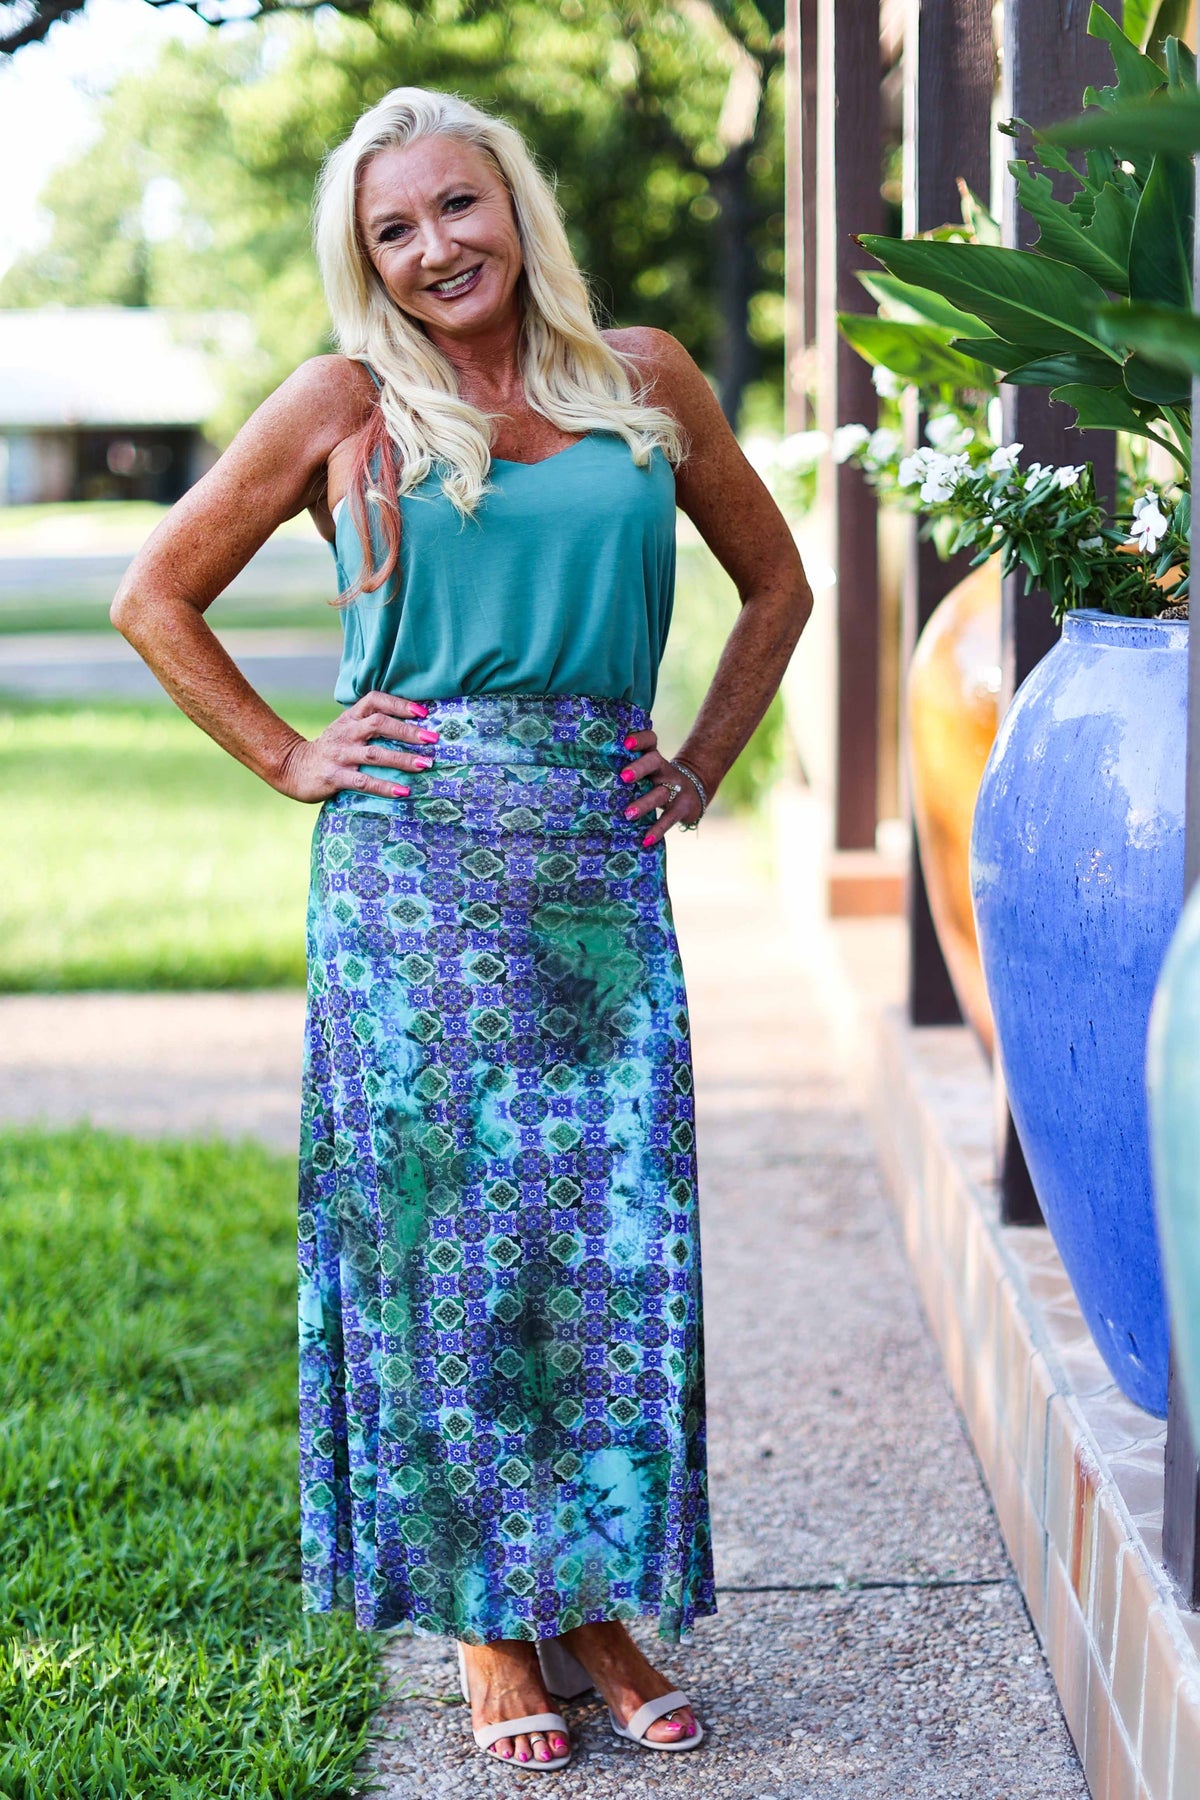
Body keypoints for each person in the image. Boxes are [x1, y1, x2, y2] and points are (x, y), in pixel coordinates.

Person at [111, 85, 812, 1773]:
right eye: (393, 230)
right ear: (366, 262)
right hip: (410, 880)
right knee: (446, 1259)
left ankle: (594, 1608)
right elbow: (155, 594)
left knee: (604, 1251)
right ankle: (492, 1625)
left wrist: (703, 761)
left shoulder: (644, 380)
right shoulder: (346, 402)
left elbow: (779, 586)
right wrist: (290, 754)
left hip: (597, 871)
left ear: (517, 208)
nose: (435, 247)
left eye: (456, 206)